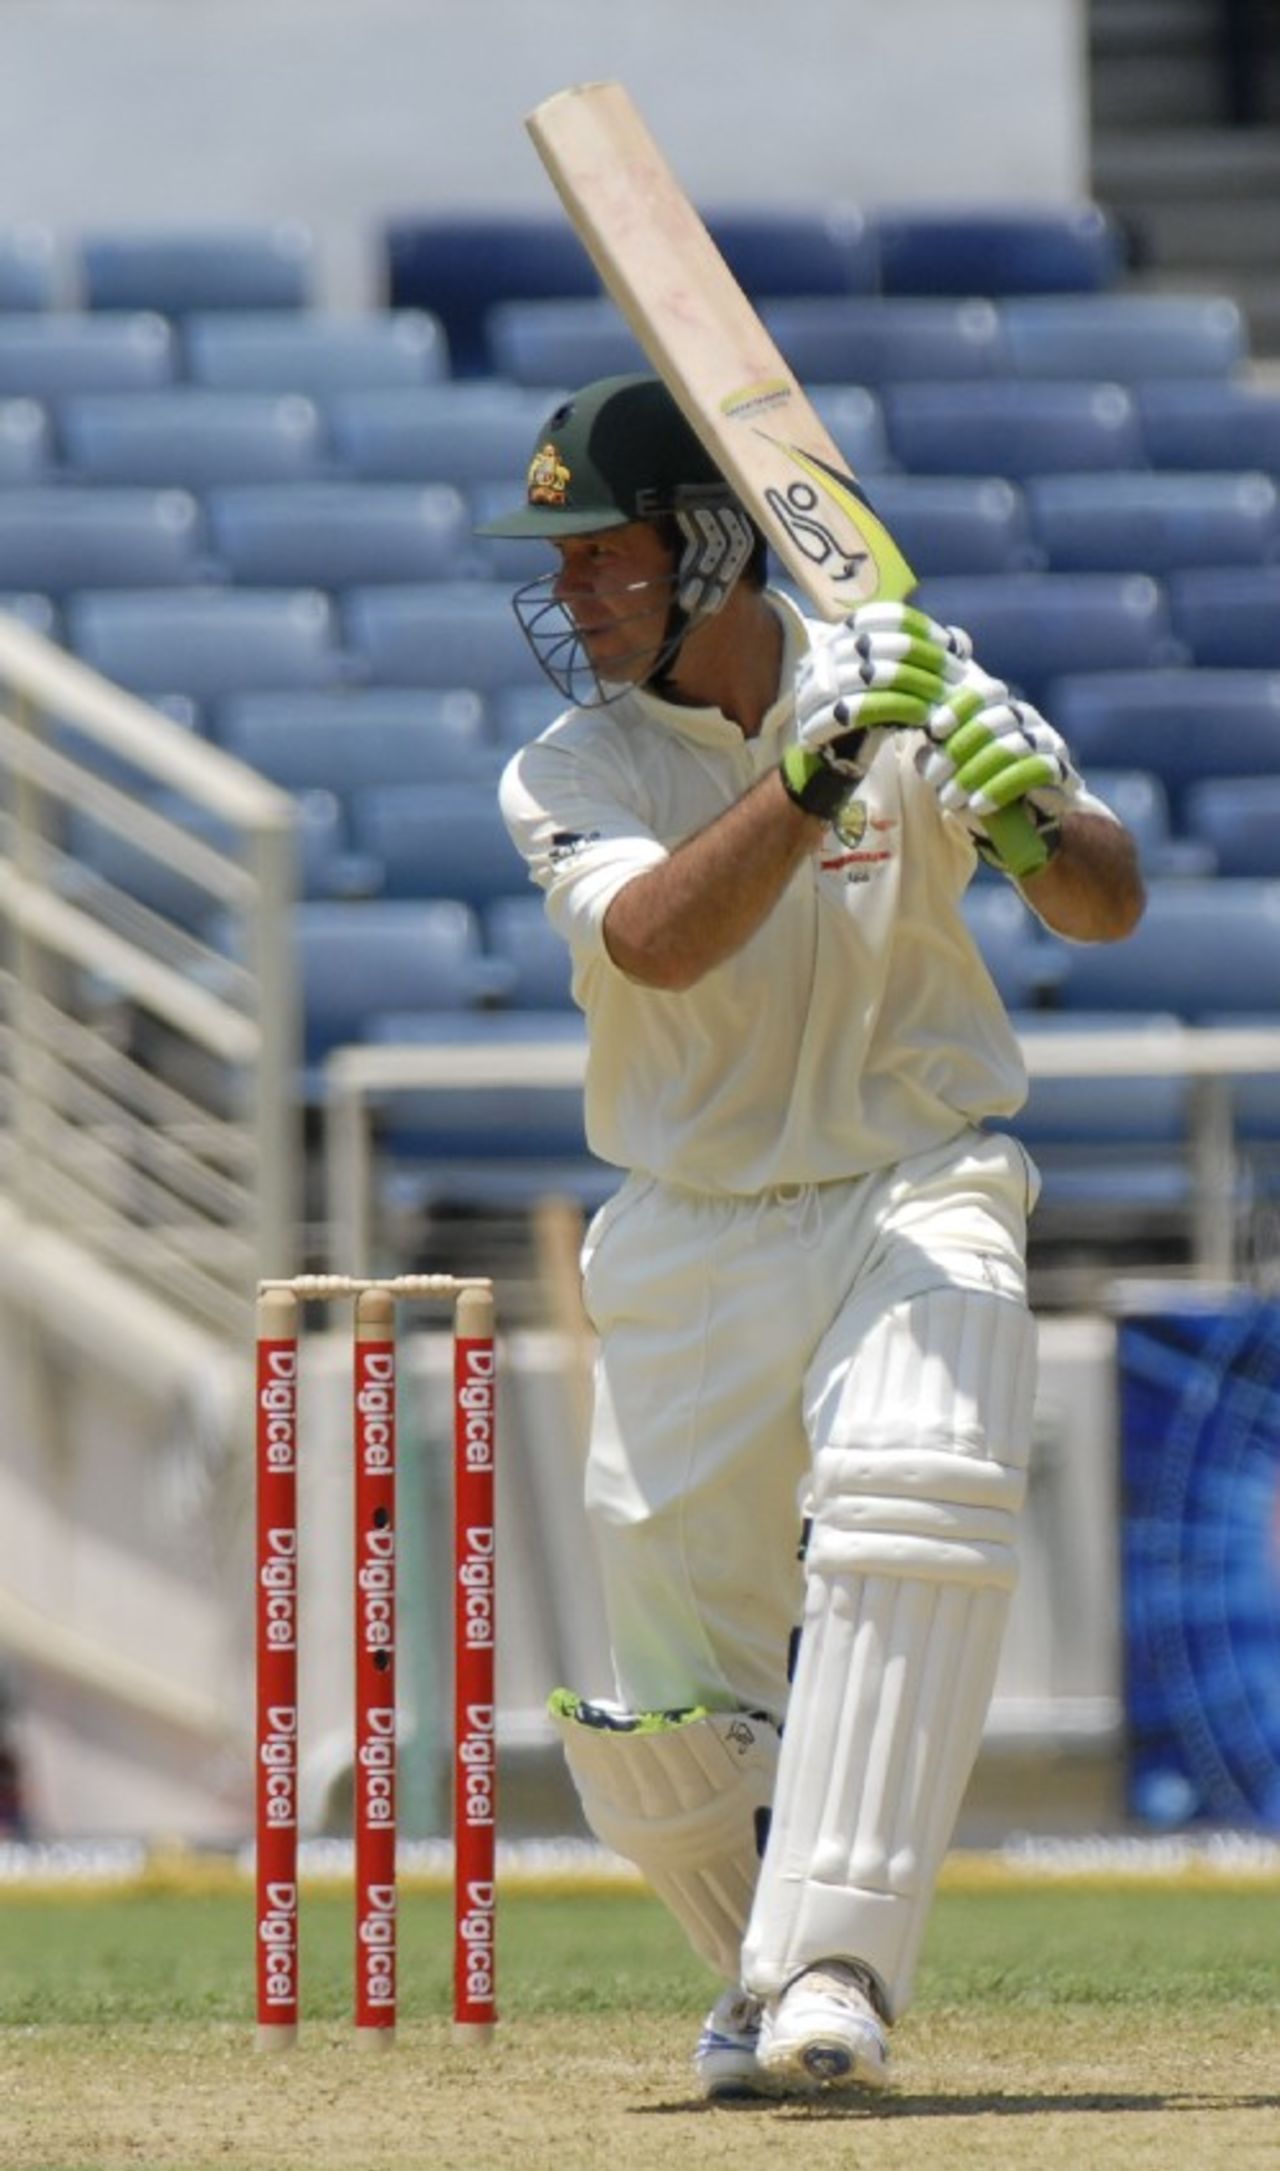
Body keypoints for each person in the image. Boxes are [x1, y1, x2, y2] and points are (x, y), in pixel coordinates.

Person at [480, 374, 1144, 2099]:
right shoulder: (571, 763)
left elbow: (1106, 900)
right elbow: (656, 943)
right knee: (674, 1718)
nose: (572, 596)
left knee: (919, 1487)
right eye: (560, 565)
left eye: (603, 556)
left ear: (710, 547)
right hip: (692, 1224)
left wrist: (1027, 808)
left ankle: (834, 1963)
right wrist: (812, 768)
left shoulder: (917, 675)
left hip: (914, 1176)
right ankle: (759, 1975)